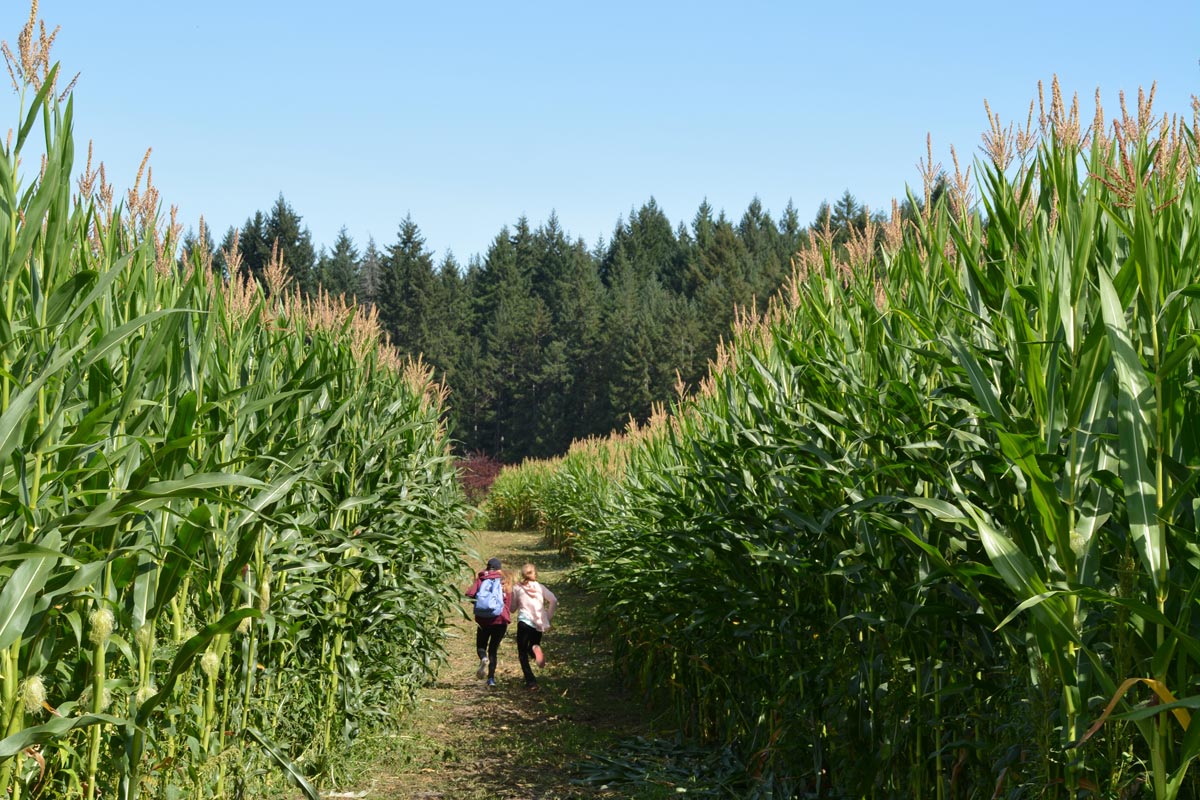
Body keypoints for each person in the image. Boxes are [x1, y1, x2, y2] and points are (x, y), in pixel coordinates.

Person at [465, 557, 511, 687]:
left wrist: (479, 602)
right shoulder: (505, 581)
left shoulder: (481, 579)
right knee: (493, 650)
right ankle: (491, 679)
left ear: (487, 567)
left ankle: (483, 658)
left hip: (483, 620)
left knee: (481, 645)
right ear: (499, 568)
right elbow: (509, 601)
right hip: (500, 620)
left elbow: (469, 594)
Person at [511, 562, 557, 690]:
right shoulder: (540, 587)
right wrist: (547, 617)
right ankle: (536, 649)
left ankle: (531, 682)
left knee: (522, 653)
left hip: (524, 622)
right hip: (538, 623)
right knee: (533, 645)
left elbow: (513, 608)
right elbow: (553, 600)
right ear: (535, 573)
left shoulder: (517, 588)